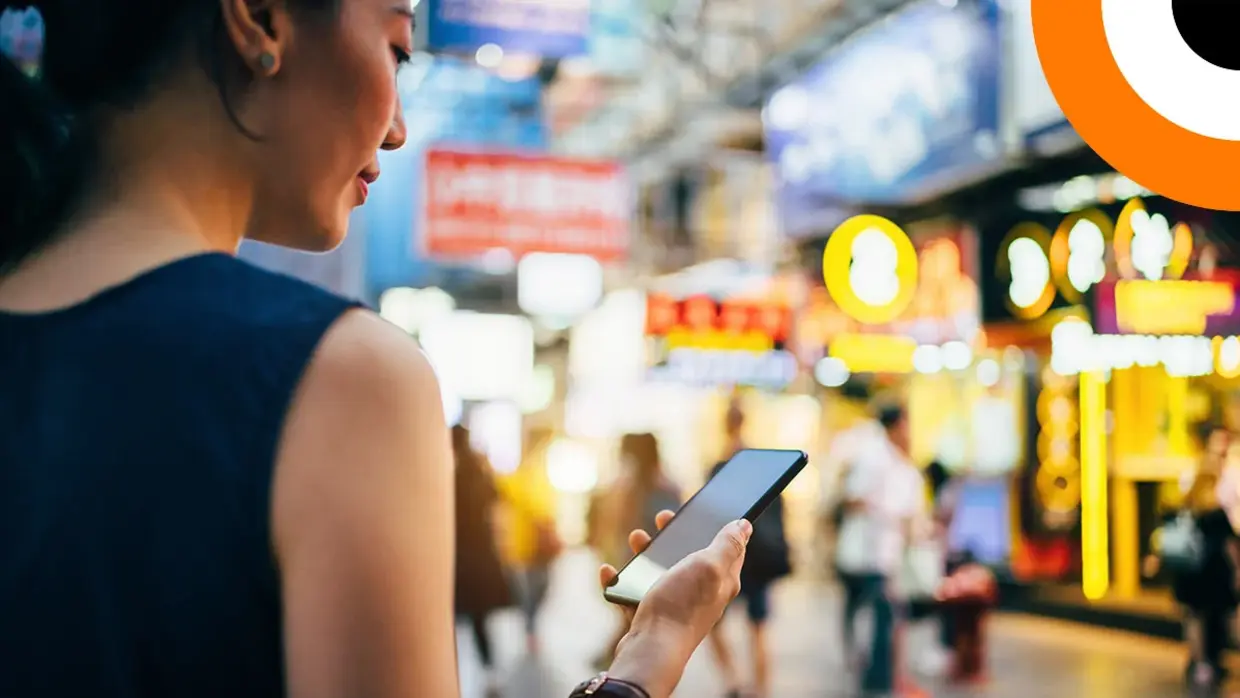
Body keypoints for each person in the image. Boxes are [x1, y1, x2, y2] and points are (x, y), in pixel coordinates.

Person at [0, 3, 753, 696]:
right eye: (397, 49)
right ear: (260, 20)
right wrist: (651, 652)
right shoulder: (340, 378)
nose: (397, 128)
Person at [834, 404, 927, 698]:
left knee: (883, 616)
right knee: (879, 616)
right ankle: (874, 679)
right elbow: (853, 499)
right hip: (866, 556)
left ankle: (879, 678)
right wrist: (884, 513)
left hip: (881, 555)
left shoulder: (897, 462)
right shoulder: (873, 458)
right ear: (898, 425)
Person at [706, 401, 791, 698]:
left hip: (733, 556)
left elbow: (711, 514)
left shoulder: (720, 466)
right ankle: (761, 690)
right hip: (761, 556)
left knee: (712, 623)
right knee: (758, 629)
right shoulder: (761, 463)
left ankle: (733, 680)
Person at [590, 433, 684, 668]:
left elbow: (616, 524)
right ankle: (622, 664)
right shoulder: (666, 486)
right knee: (644, 623)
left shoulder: (628, 487)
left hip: (633, 562)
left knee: (637, 620)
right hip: (658, 564)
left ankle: (615, 662)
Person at [1169, 424, 1240, 688]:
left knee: (1197, 618)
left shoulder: (1192, 499)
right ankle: (1208, 660)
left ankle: (1200, 661)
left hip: (1191, 569)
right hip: (1214, 570)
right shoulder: (1217, 512)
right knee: (1214, 617)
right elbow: (1231, 543)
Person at [452, 424, 513, 693]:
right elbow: (497, 505)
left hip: (459, 555)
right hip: (481, 553)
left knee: (452, 620)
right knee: (479, 619)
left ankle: (451, 674)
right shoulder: (479, 471)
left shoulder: (451, 475)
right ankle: (490, 673)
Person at [497, 427, 562, 655]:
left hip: (537, 543)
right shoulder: (525, 472)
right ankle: (531, 629)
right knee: (533, 589)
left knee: (540, 587)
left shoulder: (540, 470)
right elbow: (525, 502)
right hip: (528, 543)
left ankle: (531, 627)